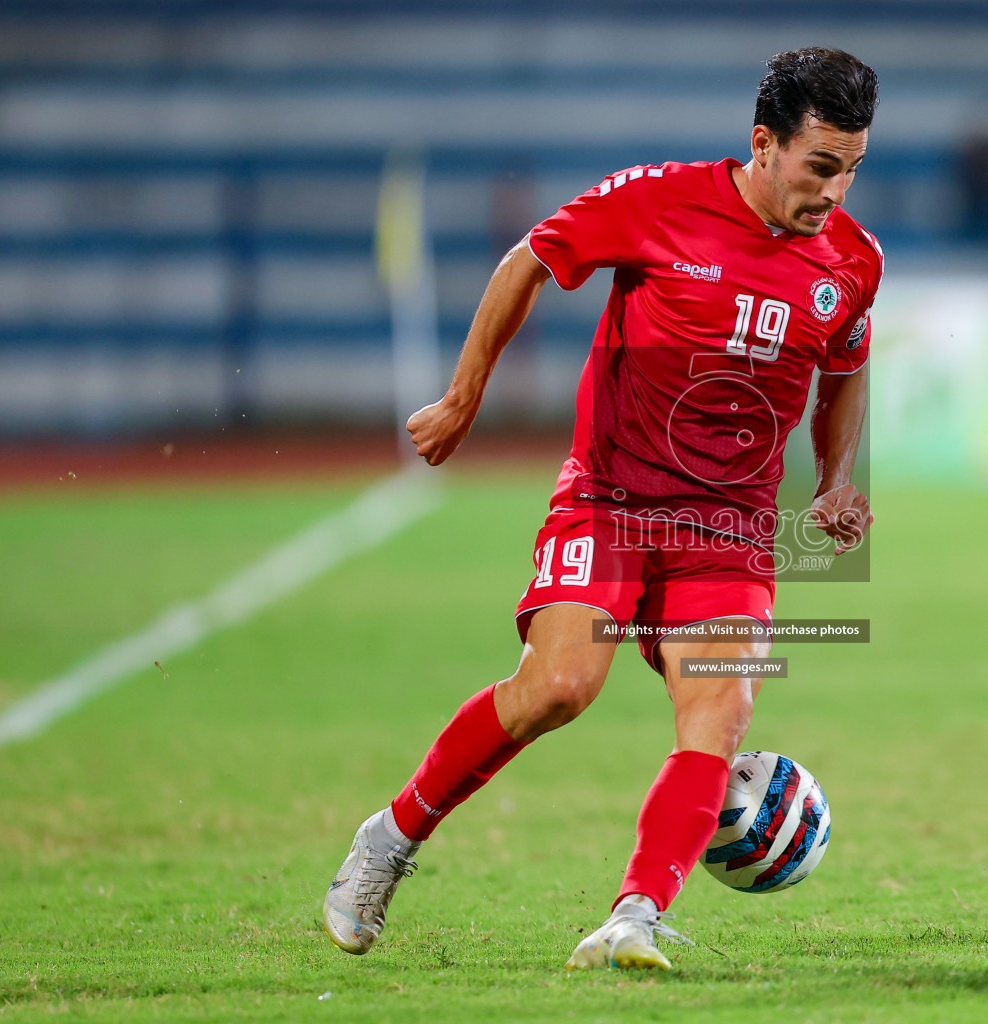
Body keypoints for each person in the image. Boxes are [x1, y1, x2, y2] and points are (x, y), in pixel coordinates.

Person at [323, 47, 882, 971]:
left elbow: (846, 369)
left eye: (852, 168)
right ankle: (392, 835)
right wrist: (464, 396)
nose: (834, 190)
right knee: (558, 689)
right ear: (763, 143)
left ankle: (634, 916)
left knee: (722, 710)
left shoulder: (853, 261)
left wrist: (831, 482)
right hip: (612, 500)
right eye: (820, 166)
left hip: (730, 531)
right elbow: (527, 260)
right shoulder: (659, 200)